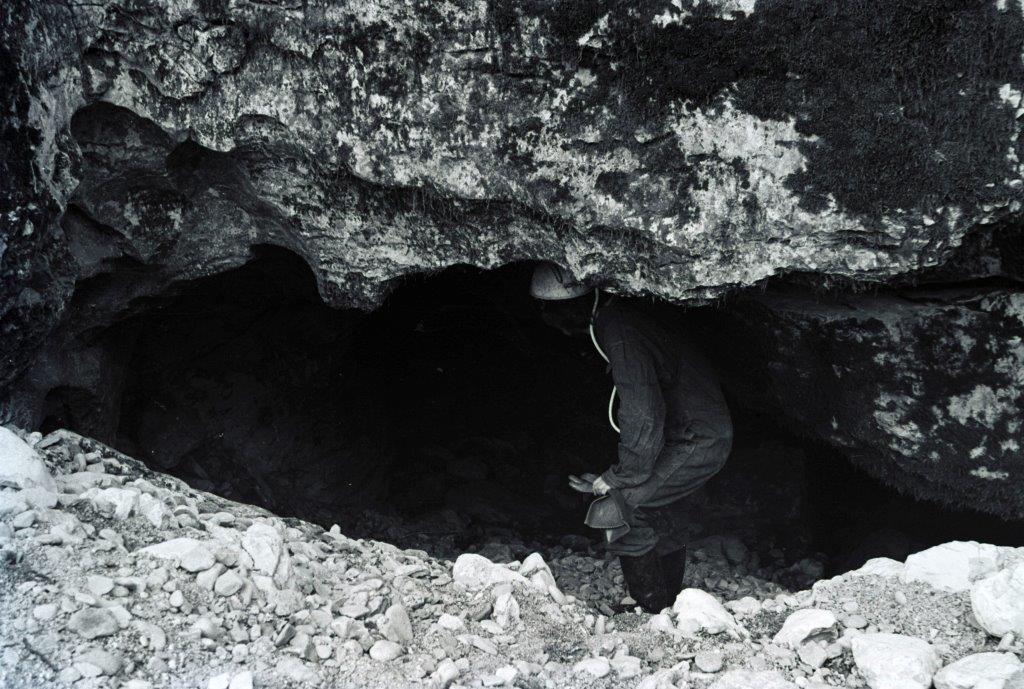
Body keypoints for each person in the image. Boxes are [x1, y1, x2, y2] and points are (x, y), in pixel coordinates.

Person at [530, 262, 733, 613]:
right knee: (653, 504)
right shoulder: (623, 318)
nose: (553, 321)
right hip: (692, 434)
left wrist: (619, 479)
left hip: (698, 439)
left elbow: (643, 412)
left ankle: (647, 608)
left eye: (554, 311)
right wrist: (614, 478)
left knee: (616, 509)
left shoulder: (619, 330)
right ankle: (667, 605)